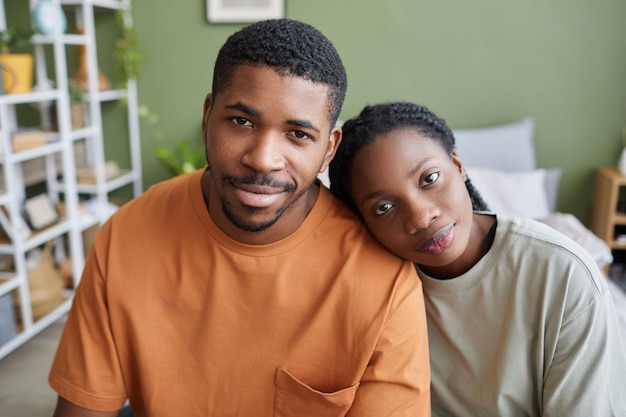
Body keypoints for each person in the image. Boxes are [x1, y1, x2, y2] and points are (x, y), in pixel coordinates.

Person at [48, 20, 431, 417]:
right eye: (242, 122)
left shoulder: (384, 282)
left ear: (328, 148)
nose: (263, 159)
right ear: (207, 116)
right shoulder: (126, 234)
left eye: (298, 134)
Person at [329, 101, 626, 416]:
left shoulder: (563, 273)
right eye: (384, 208)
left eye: (429, 179)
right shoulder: (376, 289)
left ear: (458, 166)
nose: (420, 217)